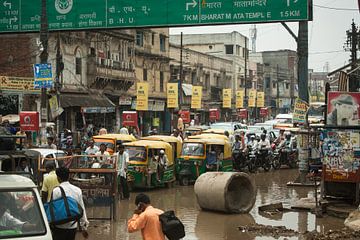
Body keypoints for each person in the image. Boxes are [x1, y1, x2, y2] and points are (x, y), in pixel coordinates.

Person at [52, 167, 89, 240]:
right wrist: (83, 227)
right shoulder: (77, 190)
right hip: (72, 226)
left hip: (59, 226)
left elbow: (53, 210)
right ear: (69, 176)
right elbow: (82, 209)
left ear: (58, 178)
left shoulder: (56, 191)